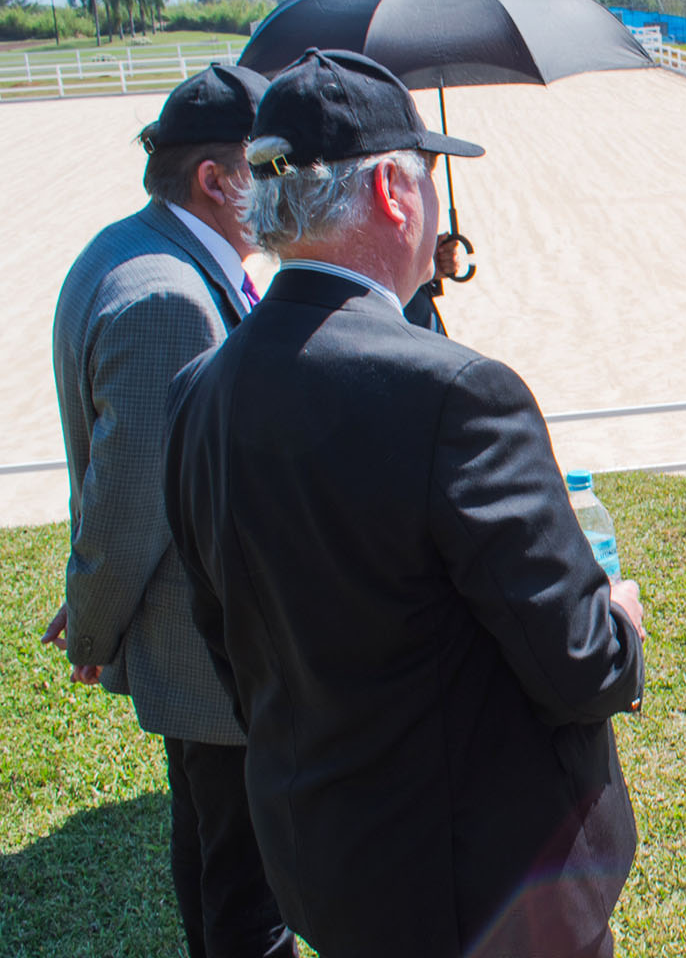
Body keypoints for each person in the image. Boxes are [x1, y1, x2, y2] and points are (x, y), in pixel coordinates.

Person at [163, 49, 647, 958]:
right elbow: (581, 664)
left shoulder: (201, 388)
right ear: (393, 189)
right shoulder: (456, 393)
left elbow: (233, 647)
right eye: (428, 178)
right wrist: (617, 616)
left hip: (326, 868)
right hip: (490, 894)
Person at [44, 63, 296, 958]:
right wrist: (93, 625)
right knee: (249, 892)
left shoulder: (126, 247)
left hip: (192, 651)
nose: (286, 188)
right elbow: (133, 499)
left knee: (209, 849)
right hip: (205, 650)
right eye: (268, 169)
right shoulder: (171, 298)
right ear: (214, 180)